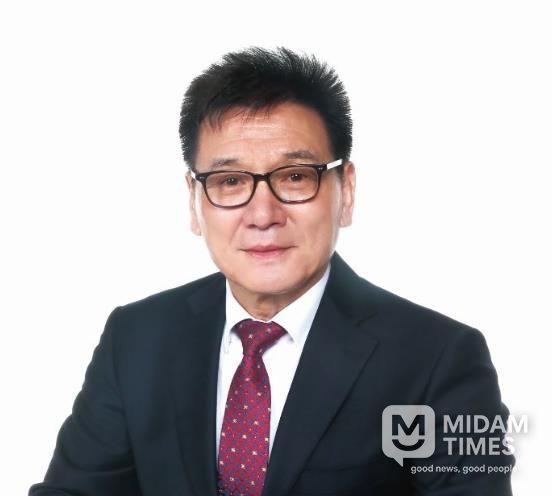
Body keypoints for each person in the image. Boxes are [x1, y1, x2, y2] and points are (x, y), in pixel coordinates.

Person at [29, 47, 514, 495]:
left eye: (295, 177)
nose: (263, 214)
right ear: (195, 202)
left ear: (346, 191)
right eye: (230, 181)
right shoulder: (135, 339)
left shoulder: (441, 359)